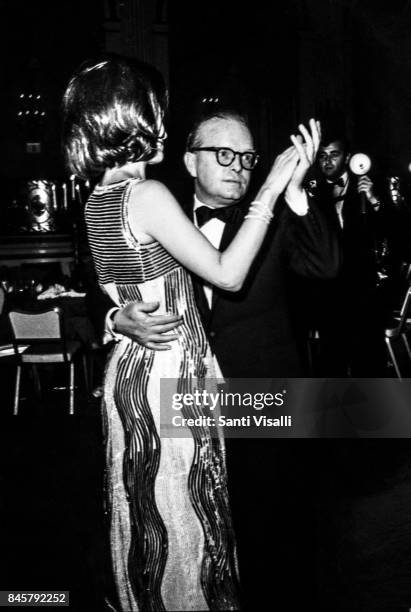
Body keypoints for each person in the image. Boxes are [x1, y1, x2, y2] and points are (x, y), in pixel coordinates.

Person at [62, 56, 320, 611]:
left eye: (247, 160)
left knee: (157, 521)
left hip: (144, 377)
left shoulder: (95, 203)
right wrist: (271, 188)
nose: (163, 121)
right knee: (187, 530)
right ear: (134, 118)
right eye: (157, 111)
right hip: (176, 378)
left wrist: (118, 317)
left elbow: (126, 287)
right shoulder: (152, 197)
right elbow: (227, 273)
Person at [305, 132, 387, 376]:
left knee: (368, 363)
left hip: (363, 291)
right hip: (330, 294)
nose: (327, 161)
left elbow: (394, 229)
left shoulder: (367, 186)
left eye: (334, 154)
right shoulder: (315, 194)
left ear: (348, 157)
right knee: (332, 363)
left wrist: (373, 200)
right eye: (322, 156)